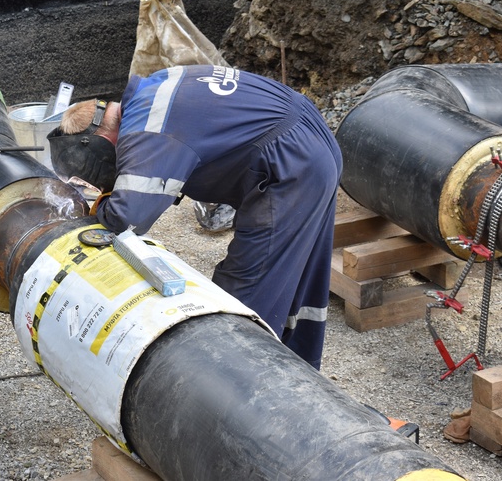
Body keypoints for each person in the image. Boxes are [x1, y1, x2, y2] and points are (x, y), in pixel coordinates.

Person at [47, 64, 342, 369]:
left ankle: (236, 382)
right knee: (295, 276)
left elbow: (127, 217)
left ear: (98, 140)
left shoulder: (147, 130)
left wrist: (94, 215)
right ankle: (300, 375)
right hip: (308, 136)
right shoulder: (151, 90)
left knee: (248, 288)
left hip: (292, 164)